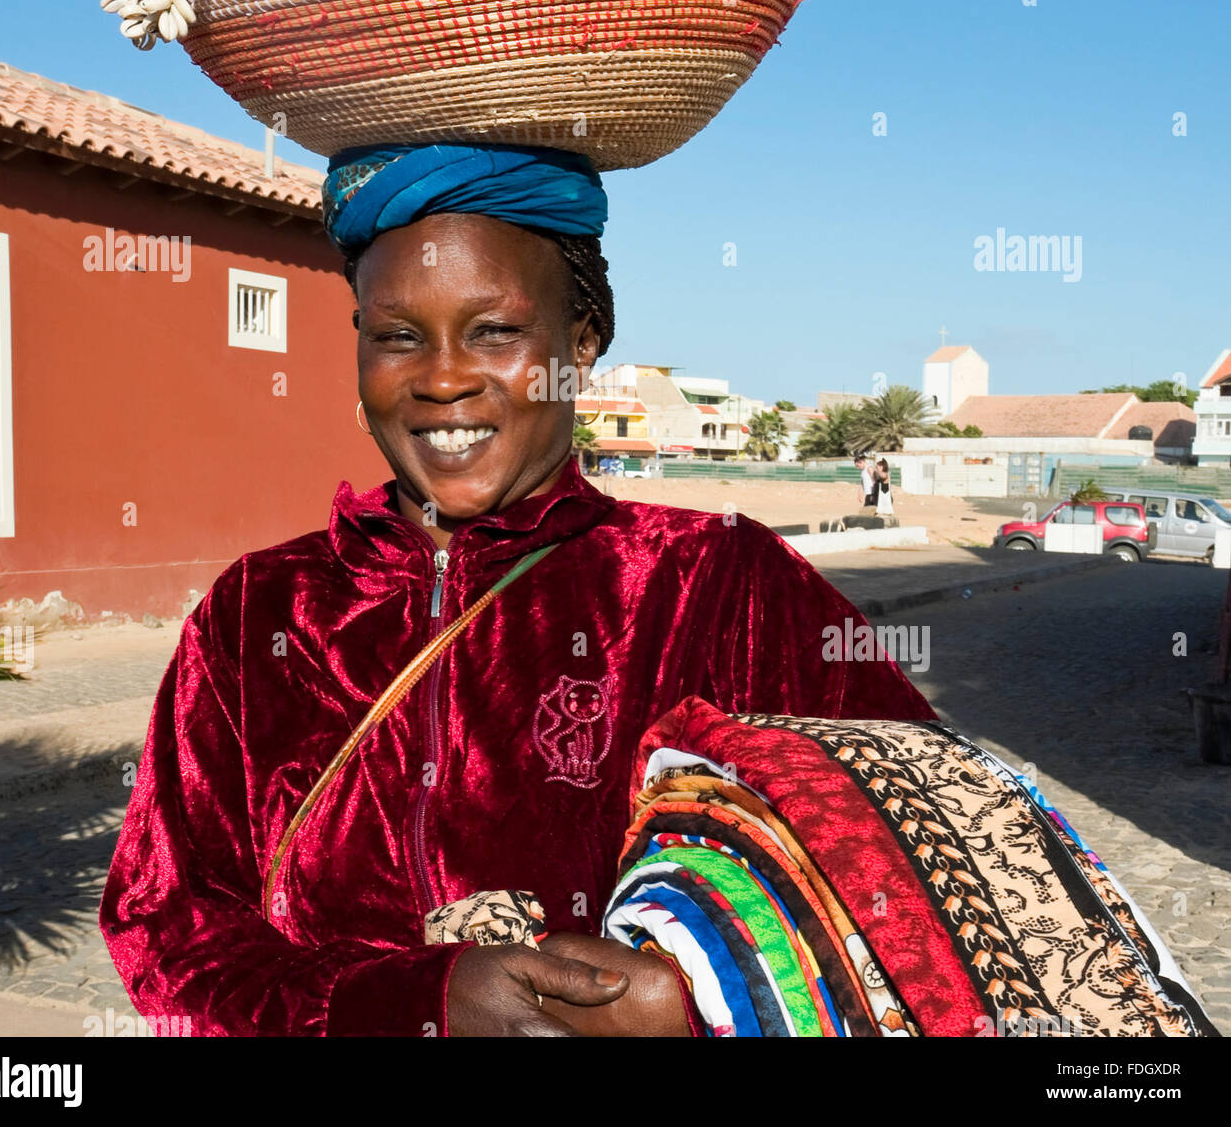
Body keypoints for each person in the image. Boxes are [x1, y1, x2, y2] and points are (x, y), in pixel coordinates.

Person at [99, 143, 933, 1038]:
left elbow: (916, 891)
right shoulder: (262, 607)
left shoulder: (720, 580)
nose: (444, 377)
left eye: (495, 331)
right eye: (397, 335)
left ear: (581, 345)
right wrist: (409, 1002)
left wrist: (697, 1007)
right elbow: (168, 922)